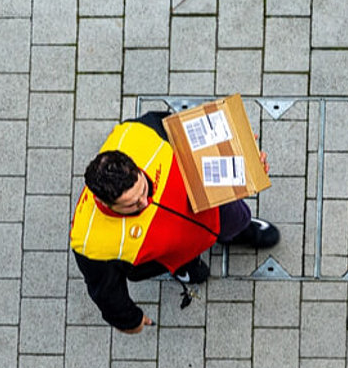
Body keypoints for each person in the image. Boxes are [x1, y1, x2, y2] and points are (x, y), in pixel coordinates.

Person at [69, 111, 279, 334]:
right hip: (166, 254)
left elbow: (185, 130)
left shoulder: (139, 134)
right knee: (185, 264)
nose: (145, 202)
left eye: (144, 189)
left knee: (236, 218)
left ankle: (238, 230)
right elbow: (106, 292)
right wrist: (129, 320)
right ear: (103, 201)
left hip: (207, 201)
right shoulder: (90, 244)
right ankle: (183, 267)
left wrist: (238, 149)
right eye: (132, 205)